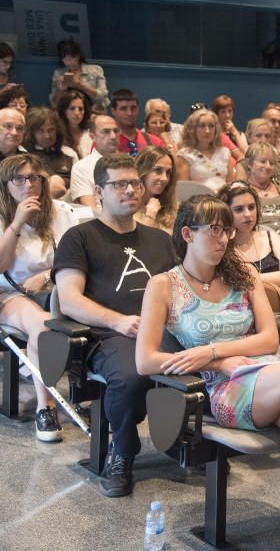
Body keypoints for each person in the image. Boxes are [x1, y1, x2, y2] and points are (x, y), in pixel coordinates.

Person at [134, 195, 280, 551]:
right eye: (215, 230)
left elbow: (269, 338)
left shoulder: (245, 273)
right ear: (188, 234)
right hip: (224, 391)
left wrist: (211, 350)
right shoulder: (164, 285)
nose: (224, 238)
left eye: (228, 230)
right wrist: (217, 364)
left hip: (270, 376)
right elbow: (145, 361)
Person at [53, 154, 176, 496]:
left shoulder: (160, 240)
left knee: (213, 361)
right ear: (98, 191)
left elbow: (181, 287)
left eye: (135, 183)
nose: (130, 190)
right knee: (132, 375)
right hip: (108, 335)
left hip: (163, 330)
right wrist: (120, 322)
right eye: (119, 184)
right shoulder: (80, 238)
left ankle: (200, 447)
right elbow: (69, 301)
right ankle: (121, 452)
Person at [0, 154, 78, 441]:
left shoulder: (60, 212)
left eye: (34, 177)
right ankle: (46, 408)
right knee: (45, 326)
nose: (28, 184)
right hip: (8, 292)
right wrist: (17, 223)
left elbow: (75, 259)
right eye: (19, 179)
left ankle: (88, 397)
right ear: (6, 185)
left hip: (56, 288)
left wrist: (47, 276)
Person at [68, 114, 121, 208]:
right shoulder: (82, 168)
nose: (113, 136)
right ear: (92, 137)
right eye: (106, 131)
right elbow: (91, 211)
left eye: (116, 131)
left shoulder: (130, 164)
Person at [175, 108, 234, 193]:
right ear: (192, 129)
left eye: (211, 126)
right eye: (202, 126)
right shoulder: (184, 155)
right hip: (199, 203)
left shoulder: (224, 152)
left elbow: (231, 184)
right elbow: (184, 190)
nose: (207, 131)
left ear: (216, 130)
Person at [24, 107, 77, 196]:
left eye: (51, 130)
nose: (47, 136)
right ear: (31, 133)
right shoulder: (25, 154)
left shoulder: (69, 153)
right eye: (41, 131)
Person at [49, 38, 109, 112]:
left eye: (71, 58)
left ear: (78, 55)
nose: (68, 62)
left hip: (93, 111)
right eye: (64, 58)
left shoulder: (95, 70)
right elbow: (54, 104)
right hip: (68, 113)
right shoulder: (58, 73)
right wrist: (61, 90)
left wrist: (81, 85)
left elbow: (102, 97)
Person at [134, 146, 177, 233]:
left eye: (168, 172)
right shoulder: (124, 208)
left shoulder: (173, 209)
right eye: (158, 170)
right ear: (141, 171)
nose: (165, 178)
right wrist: (150, 215)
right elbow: (140, 245)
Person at [109, 89, 164, 155]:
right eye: (123, 108)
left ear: (138, 109)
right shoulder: (106, 143)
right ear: (113, 111)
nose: (129, 113)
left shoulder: (155, 142)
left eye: (133, 108)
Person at [56, 89, 93, 159]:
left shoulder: (90, 133)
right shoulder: (57, 134)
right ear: (64, 110)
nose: (77, 113)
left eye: (80, 109)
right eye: (72, 108)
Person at [211, 95, 247, 160]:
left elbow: (247, 153)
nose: (227, 115)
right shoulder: (212, 134)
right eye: (223, 112)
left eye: (230, 111)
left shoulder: (239, 134)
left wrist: (234, 132)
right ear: (216, 114)